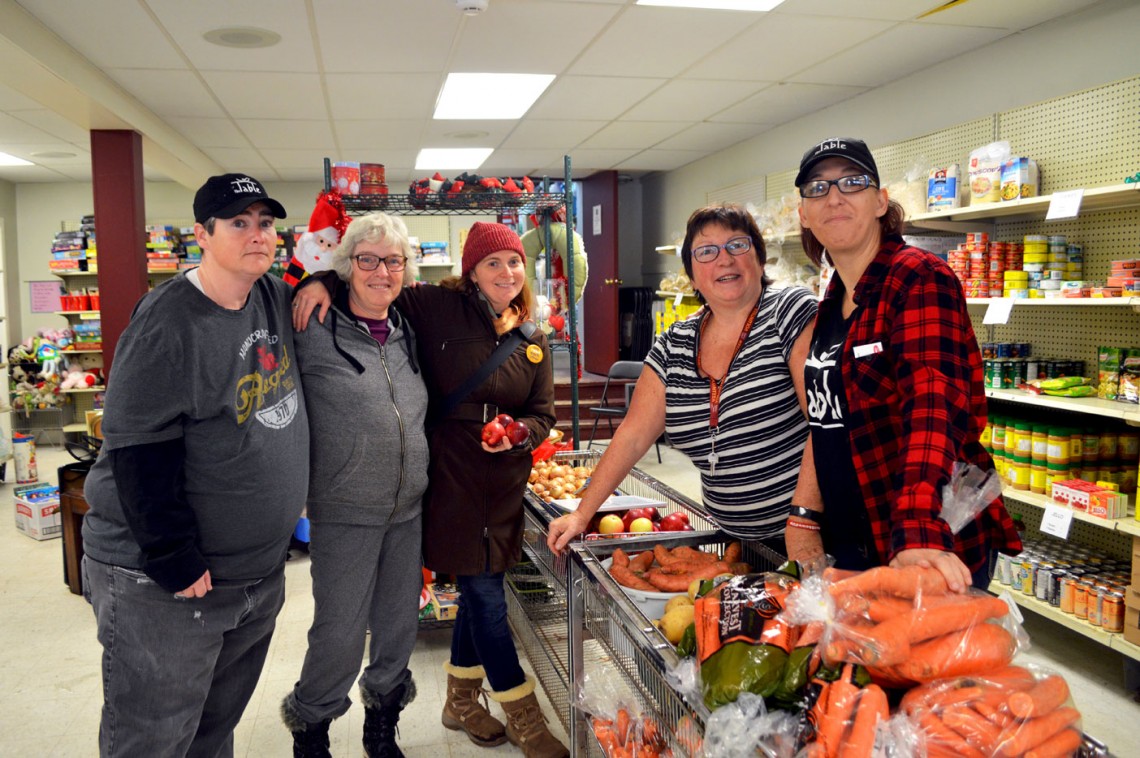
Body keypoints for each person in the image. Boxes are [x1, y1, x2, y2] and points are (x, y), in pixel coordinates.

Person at [293, 221, 566, 758]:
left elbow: (542, 415)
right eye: (492, 262)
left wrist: (519, 435)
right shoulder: (428, 311)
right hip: (435, 488)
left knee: (409, 621)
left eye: (513, 261)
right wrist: (319, 279)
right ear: (470, 270)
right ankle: (522, 713)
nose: (506, 272)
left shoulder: (527, 337)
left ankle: (435, 710)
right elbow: (362, 278)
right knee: (358, 626)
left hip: (479, 490)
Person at [80, 174, 308, 757]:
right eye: (238, 223)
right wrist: (172, 556)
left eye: (264, 223)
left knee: (210, 731)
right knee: (154, 739)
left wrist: (325, 284)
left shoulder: (270, 294)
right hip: (165, 584)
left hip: (253, 574)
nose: (257, 236)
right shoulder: (167, 324)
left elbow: (319, 275)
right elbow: (135, 449)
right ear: (202, 235)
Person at [787, 136, 1021, 591]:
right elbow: (828, 419)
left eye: (851, 183)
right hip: (857, 537)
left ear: (880, 201)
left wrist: (916, 527)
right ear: (804, 214)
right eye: (817, 188)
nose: (833, 197)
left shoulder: (917, 277)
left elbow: (933, 404)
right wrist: (805, 514)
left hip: (922, 542)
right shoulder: (834, 300)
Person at [547, 204, 820, 557]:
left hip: (813, 533)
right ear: (692, 276)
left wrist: (804, 521)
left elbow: (823, 424)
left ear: (760, 258)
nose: (725, 259)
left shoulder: (791, 311)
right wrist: (583, 513)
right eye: (707, 251)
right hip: (736, 541)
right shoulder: (675, 343)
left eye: (738, 245)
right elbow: (632, 435)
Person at [280, 213, 429, 758]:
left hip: (408, 509)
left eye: (393, 260)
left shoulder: (411, 329)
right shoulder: (311, 326)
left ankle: (381, 726)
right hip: (343, 508)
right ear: (345, 268)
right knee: (339, 634)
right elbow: (267, 289)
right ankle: (312, 730)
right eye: (367, 259)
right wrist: (309, 281)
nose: (381, 271)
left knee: (397, 630)